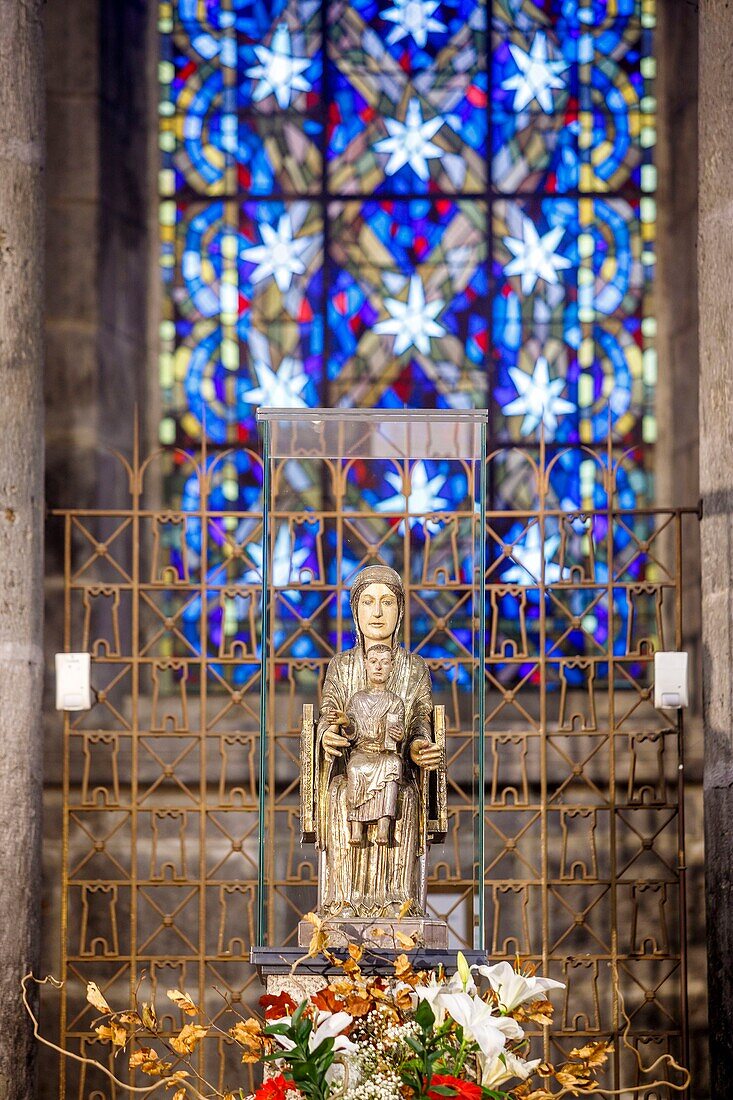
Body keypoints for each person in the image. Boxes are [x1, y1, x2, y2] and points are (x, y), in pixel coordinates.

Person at [313, 564, 442, 918]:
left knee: (405, 796)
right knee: (339, 793)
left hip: (395, 769)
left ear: (400, 611)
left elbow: (419, 722)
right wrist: (328, 735)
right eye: (368, 602)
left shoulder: (414, 669)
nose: (377, 612)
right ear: (356, 611)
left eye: (387, 602)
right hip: (353, 767)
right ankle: (343, 901)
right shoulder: (341, 666)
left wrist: (418, 746)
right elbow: (329, 712)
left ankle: (397, 902)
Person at [344, 644, 405, 847]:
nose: (379, 667)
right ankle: (356, 827)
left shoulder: (395, 702)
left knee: (394, 764)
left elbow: (398, 733)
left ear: (391, 667)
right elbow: (352, 733)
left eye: (384, 662)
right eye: (374, 662)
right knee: (354, 768)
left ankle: (384, 825)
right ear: (366, 665)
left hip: (383, 753)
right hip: (362, 752)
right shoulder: (357, 699)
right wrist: (346, 723)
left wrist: (399, 734)